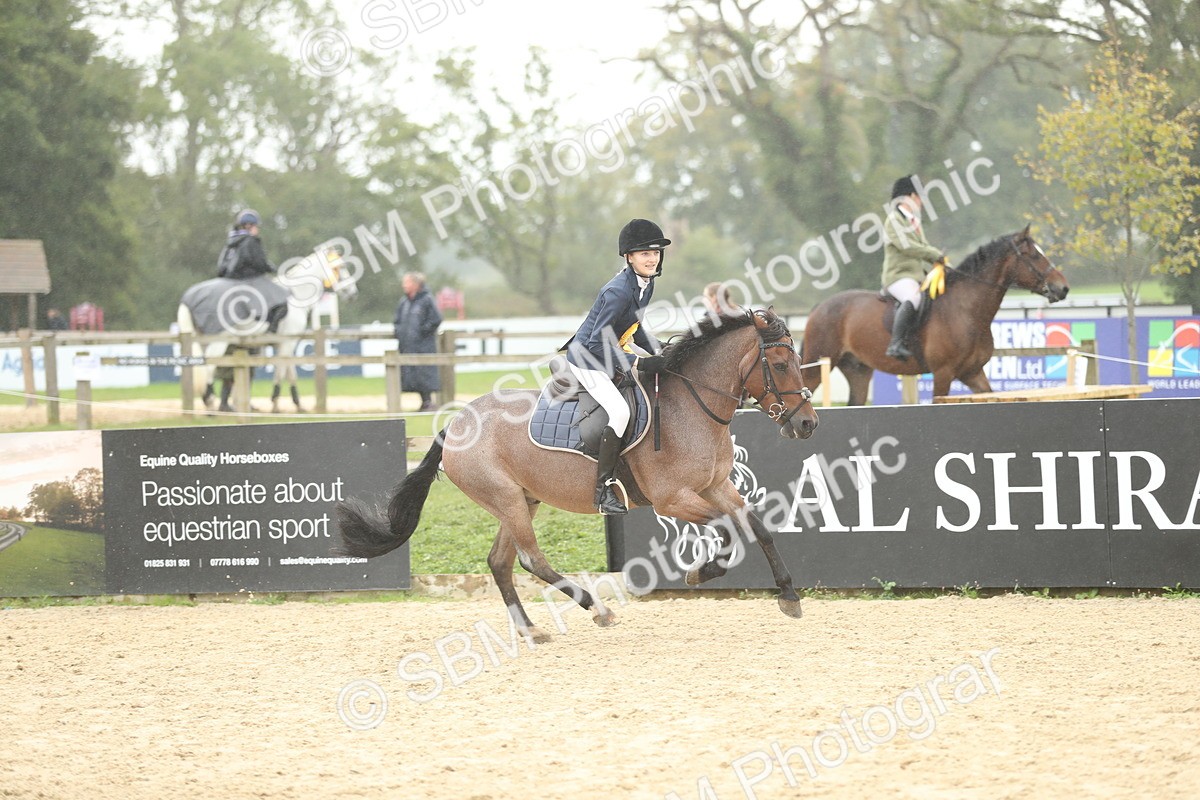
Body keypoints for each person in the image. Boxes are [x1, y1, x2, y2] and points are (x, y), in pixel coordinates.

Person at [562, 218, 671, 515]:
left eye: (656, 253)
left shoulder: (646, 283)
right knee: (620, 411)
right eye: (645, 253)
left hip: (611, 348)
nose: (652, 258)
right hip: (588, 357)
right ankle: (602, 490)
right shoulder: (618, 291)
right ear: (629, 257)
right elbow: (597, 343)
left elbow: (633, 327)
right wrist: (639, 361)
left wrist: (661, 350)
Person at [882, 175, 947, 360]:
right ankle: (895, 344)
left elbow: (924, 248)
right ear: (910, 196)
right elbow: (907, 246)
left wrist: (941, 264)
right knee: (914, 297)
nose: (922, 203)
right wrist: (935, 254)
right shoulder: (894, 220)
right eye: (920, 197)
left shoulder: (915, 223)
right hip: (898, 276)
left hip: (917, 276)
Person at [394, 272, 443, 412]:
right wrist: (399, 333)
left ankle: (428, 402)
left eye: (407, 282)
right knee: (412, 376)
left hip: (423, 346)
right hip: (408, 346)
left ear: (416, 284)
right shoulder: (404, 302)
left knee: (424, 374)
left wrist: (422, 332)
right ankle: (424, 402)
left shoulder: (426, 300)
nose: (404, 285)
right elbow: (397, 321)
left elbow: (436, 319)